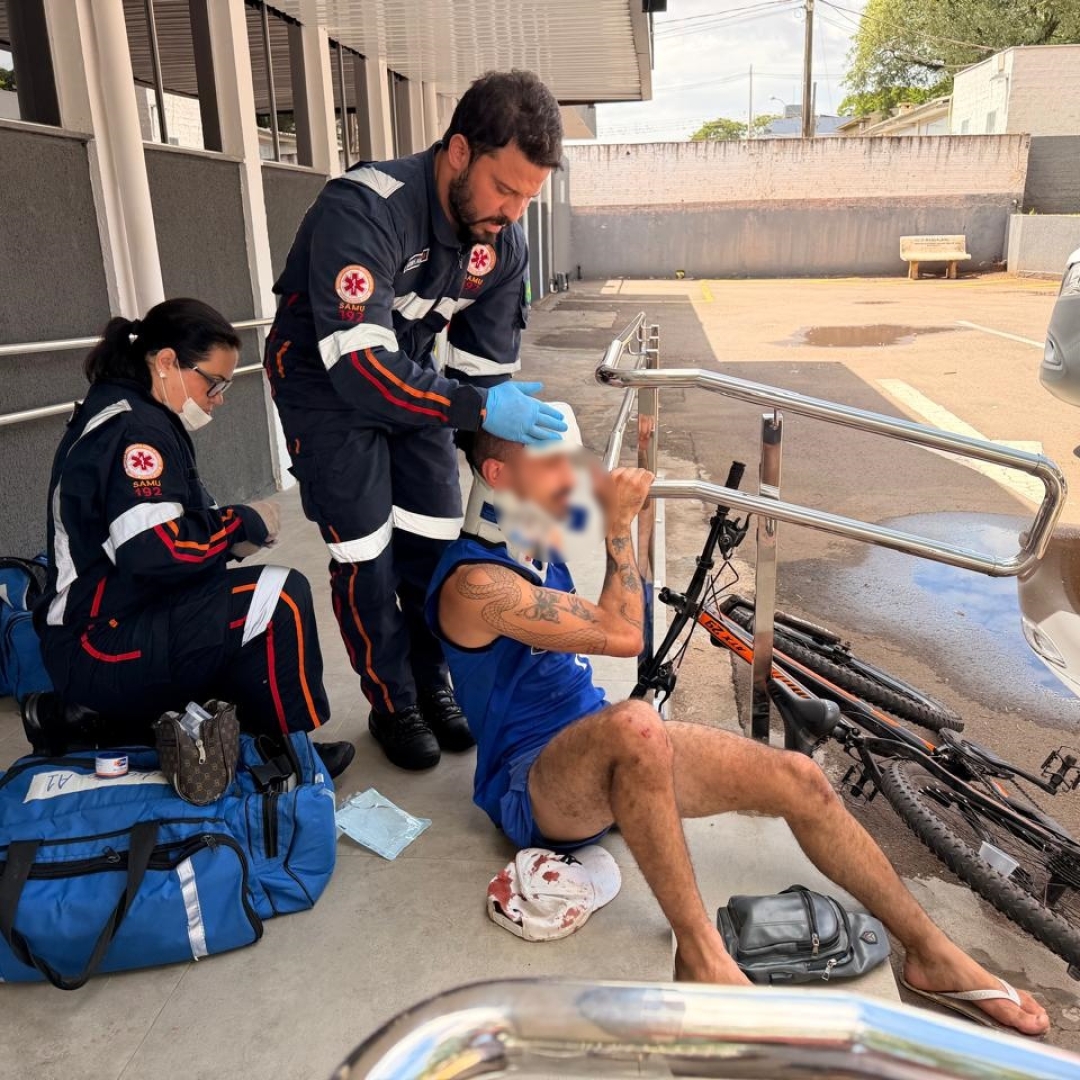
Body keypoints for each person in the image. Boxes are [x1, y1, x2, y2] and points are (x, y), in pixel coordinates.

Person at [425, 414, 1050, 1037]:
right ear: (498, 475)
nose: (574, 473)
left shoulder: (532, 534)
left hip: (605, 745)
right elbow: (621, 635)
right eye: (554, 462)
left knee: (798, 777)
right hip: (533, 786)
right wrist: (617, 522)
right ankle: (701, 955)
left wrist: (628, 523)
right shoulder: (476, 584)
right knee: (636, 724)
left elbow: (630, 610)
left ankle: (933, 953)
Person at [265, 70, 567, 771]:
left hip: (407, 376)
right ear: (459, 152)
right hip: (325, 379)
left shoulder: (501, 244)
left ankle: (433, 680)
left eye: (529, 196)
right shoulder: (365, 209)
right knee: (365, 549)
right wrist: (477, 406)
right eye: (505, 188)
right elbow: (358, 371)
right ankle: (392, 698)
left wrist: (512, 471)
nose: (514, 212)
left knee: (435, 534)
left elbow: (479, 378)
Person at [33, 298, 353, 776]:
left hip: (110, 620)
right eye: (214, 382)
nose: (218, 397)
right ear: (166, 363)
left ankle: (244, 736)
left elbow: (166, 535)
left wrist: (225, 539)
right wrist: (242, 523)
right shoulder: (135, 428)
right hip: (97, 641)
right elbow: (155, 551)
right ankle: (292, 752)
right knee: (278, 597)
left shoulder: (135, 410)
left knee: (232, 602)